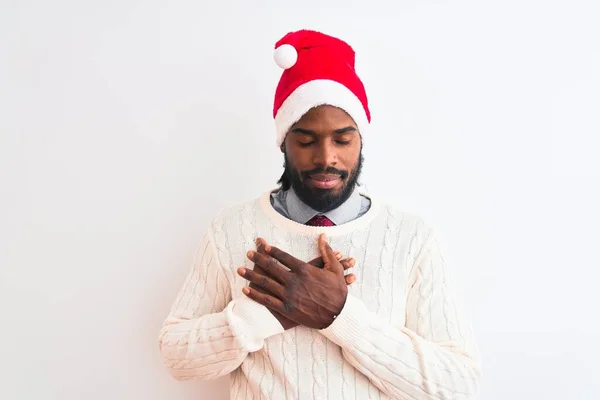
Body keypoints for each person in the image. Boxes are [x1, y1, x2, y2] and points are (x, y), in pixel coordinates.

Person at [158, 29, 481, 399]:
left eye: (342, 140)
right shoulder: (231, 229)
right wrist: (265, 315)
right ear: (284, 141)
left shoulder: (412, 238)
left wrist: (340, 316)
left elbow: (457, 386)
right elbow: (176, 359)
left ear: (361, 141)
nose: (326, 157)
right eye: (306, 140)